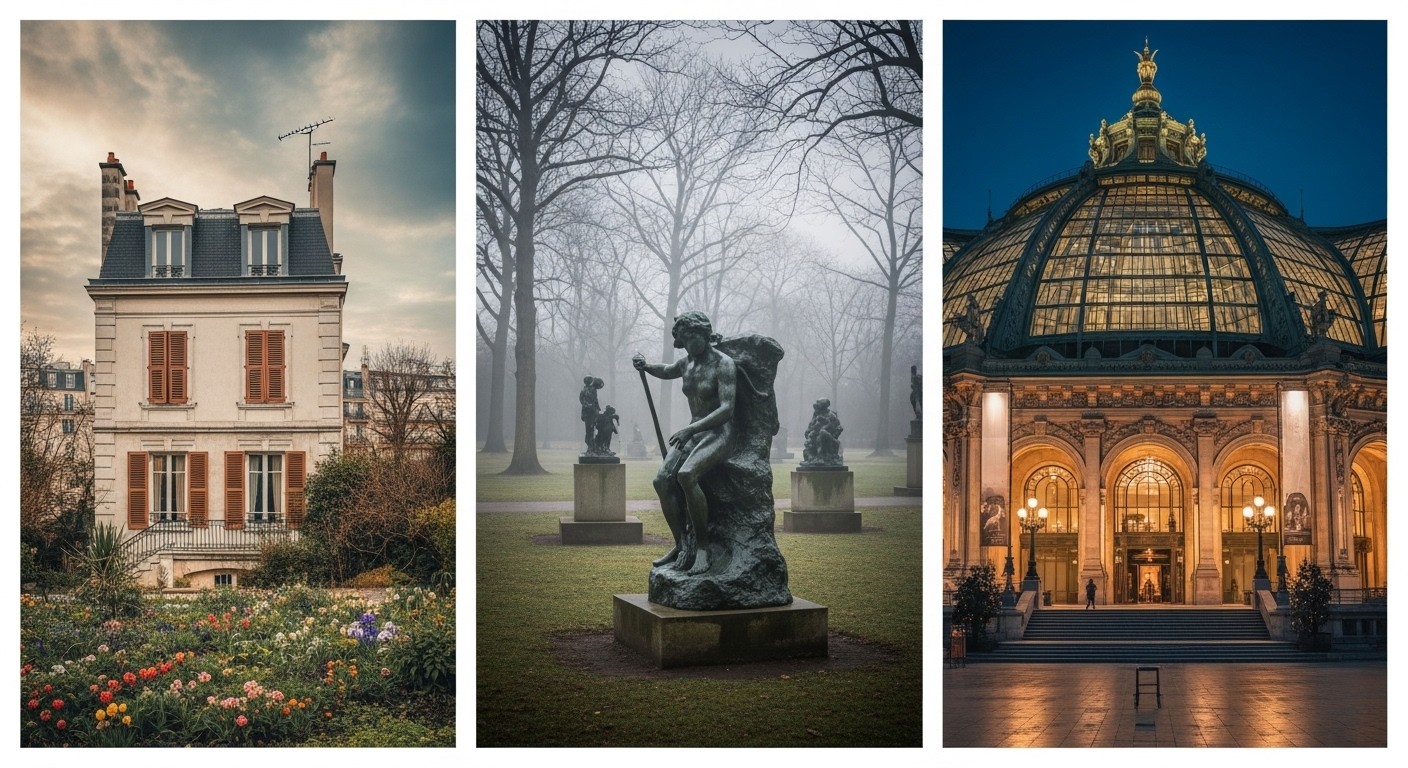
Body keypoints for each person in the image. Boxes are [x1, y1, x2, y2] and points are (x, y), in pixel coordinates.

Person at [633, 311, 736, 575]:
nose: (690, 344)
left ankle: (702, 549)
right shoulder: (686, 364)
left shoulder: (723, 364)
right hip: (693, 433)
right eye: (685, 339)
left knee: (687, 475)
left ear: (705, 334)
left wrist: (690, 429)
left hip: (718, 433)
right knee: (661, 480)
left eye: (694, 337)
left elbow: (727, 409)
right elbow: (667, 370)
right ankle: (681, 545)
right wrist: (645, 366)